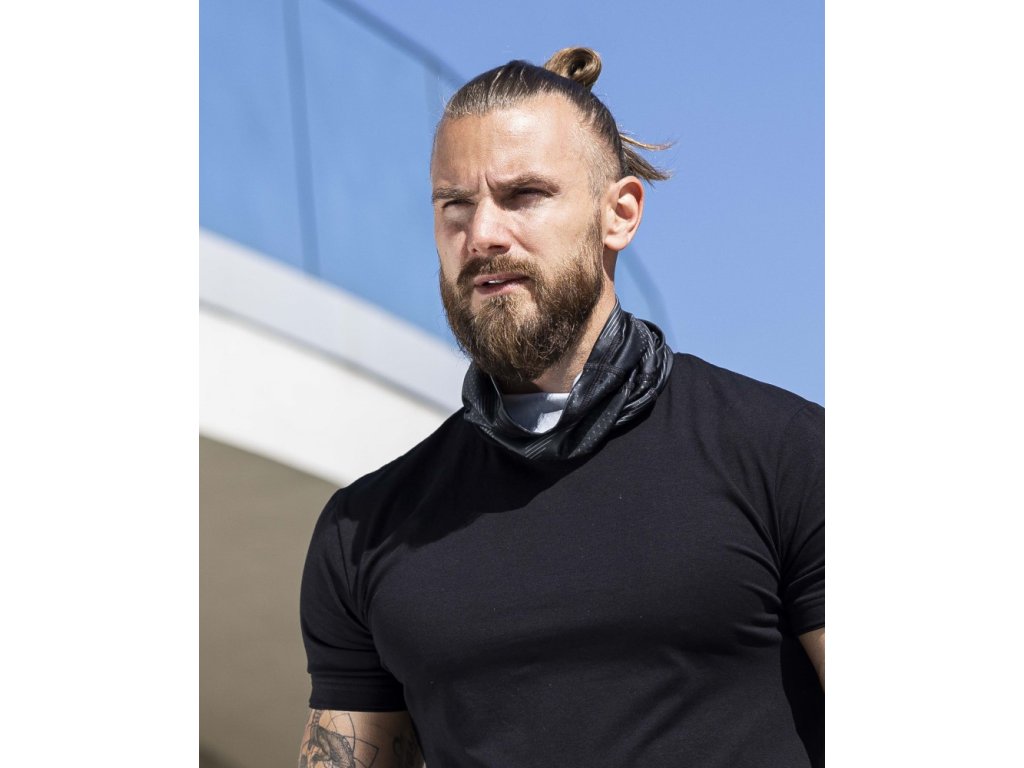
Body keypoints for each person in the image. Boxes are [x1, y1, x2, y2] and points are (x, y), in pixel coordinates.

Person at [299, 47, 824, 768]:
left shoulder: (787, 453)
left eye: (524, 195)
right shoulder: (364, 531)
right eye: (455, 205)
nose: (482, 235)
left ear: (620, 214)